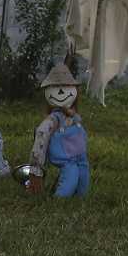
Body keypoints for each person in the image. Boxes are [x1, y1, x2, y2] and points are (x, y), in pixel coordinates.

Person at [25, 63, 90, 198]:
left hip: (81, 159)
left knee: (83, 182)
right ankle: (59, 199)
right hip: (67, 161)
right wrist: (36, 168)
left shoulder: (74, 117)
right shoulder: (54, 120)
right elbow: (41, 137)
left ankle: (79, 197)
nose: (61, 92)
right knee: (69, 181)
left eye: (66, 87)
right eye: (56, 88)